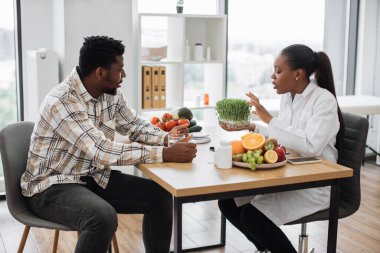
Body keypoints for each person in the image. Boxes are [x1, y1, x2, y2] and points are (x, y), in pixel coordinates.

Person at [21, 36, 197, 253]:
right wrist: (164, 154)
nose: (123, 75)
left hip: (92, 177)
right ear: (100, 72)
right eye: (119, 69)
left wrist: (166, 138)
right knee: (102, 217)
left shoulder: (110, 94)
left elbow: (133, 124)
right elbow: (101, 151)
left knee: (159, 196)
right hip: (50, 187)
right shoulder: (62, 101)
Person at [218, 44, 344, 253]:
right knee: (228, 202)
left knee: (252, 216)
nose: (272, 76)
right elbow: (283, 137)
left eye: (278, 71)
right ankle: (268, 248)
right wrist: (251, 126)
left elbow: (311, 146)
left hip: (316, 183)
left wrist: (268, 118)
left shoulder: (323, 100)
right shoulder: (288, 98)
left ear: (298, 74)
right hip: (291, 175)